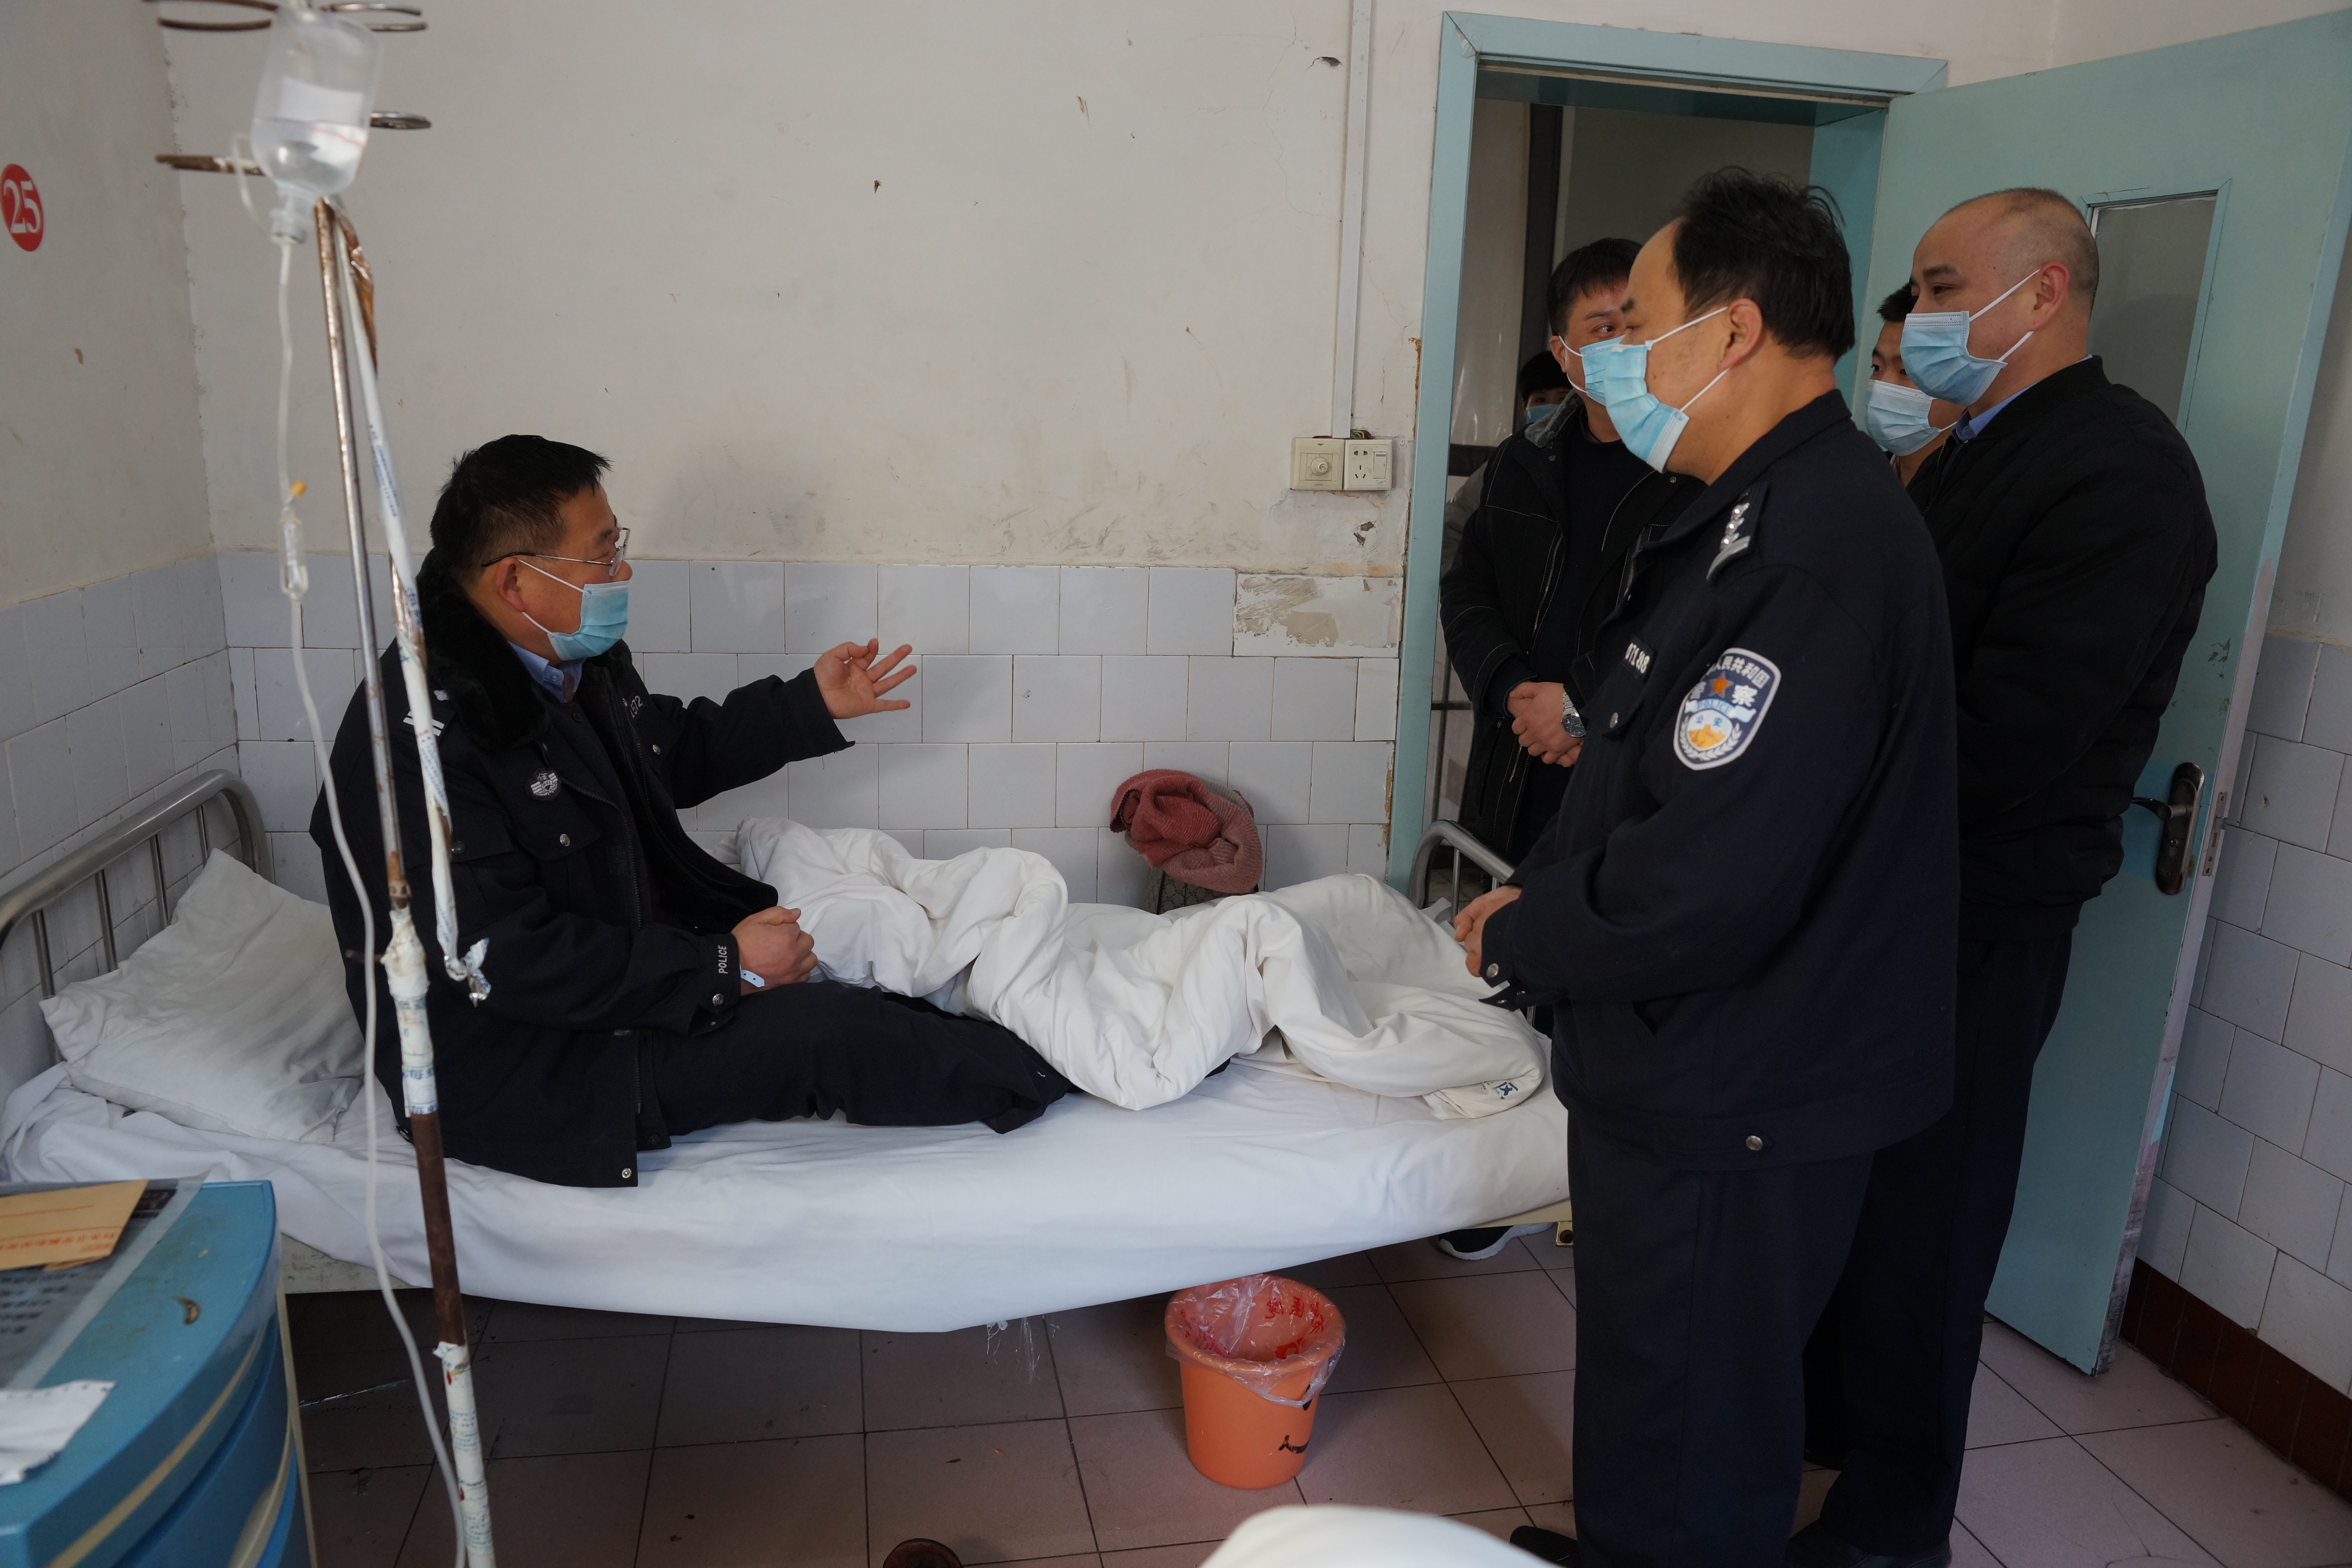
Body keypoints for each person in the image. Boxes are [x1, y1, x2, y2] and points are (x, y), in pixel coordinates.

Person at [1451, 169, 1960, 1568]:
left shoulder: (1808, 550)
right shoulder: (1743, 517)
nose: (1615, 355)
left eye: (1639, 323)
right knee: (1656, 1383)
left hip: (1740, 1076)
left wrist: (1525, 932)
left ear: (1730, 332)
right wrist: (1542, 895)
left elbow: (1709, 876)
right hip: (1700, 1058)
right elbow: (1663, 771)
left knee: (1691, 1414)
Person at [1794, 189, 2218, 1568]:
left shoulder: (2120, 473)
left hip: (1972, 915)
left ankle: (1887, 1534)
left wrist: (1806, 798)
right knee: (1853, 1199)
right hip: (1885, 896)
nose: (1915, 317)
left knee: (1927, 1223)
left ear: (2040, 294)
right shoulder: (1970, 455)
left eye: (1937, 287)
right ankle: (1822, 1433)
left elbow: (2012, 736)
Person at [312, 435, 1072, 1189]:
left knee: (876, 956)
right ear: (516, 580)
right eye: (602, 555)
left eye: (618, 546)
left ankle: (1040, 1027)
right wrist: (722, 965)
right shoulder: (415, 745)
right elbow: (504, 960)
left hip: (615, 984)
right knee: (823, 1031)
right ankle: (1075, 1069)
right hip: (526, 1066)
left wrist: (807, 705)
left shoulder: (564, 661)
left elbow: (663, 752)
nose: (622, 571)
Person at [1439, 239, 1699, 865]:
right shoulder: (1520, 464)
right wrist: (1511, 690)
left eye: (1638, 326)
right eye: (1605, 329)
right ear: (1564, 354)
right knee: (1503, 903)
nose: (1626, 345)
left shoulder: (1695, 468)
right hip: (1518, 761)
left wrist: (1582, 705)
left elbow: (1688, 616)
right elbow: (1468, 588)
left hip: (1628, 772)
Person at [1439, 349, 1575, 574]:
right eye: (1541, 400)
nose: (1552, 409)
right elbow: (1455, 524)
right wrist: (1460, 583)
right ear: (1525, 407)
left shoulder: (1596, 464)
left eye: (1563, 399)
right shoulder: (1505, 463)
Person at [1858, 282, 1959, 483]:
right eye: (1877, 367)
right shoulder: (1858, 481)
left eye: (1907, 371)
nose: (1882, 385)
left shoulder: (1980, 491)